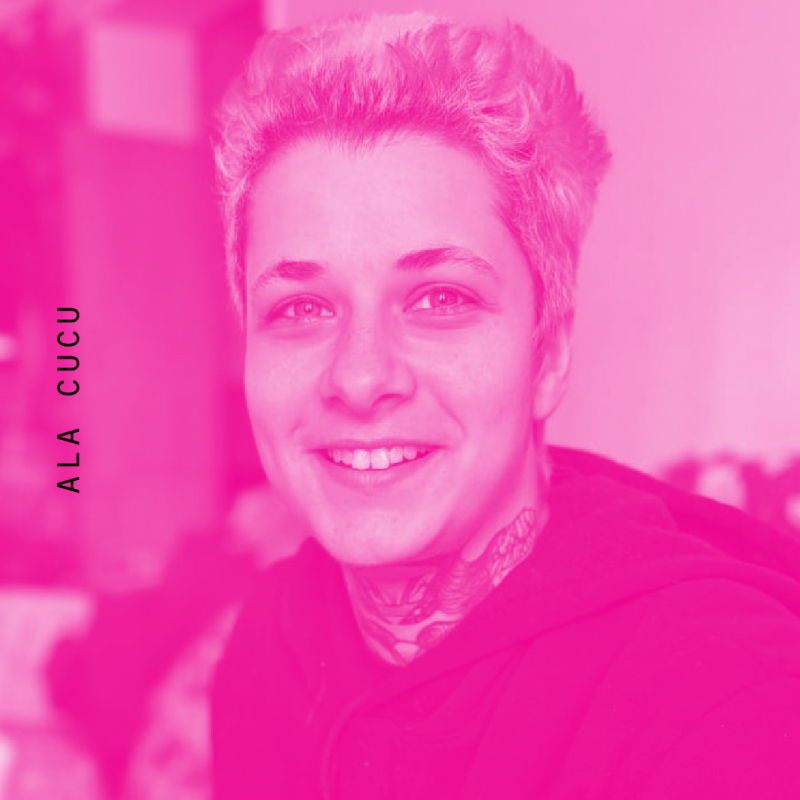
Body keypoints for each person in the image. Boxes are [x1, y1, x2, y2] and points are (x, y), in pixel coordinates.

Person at [210, 12, 800, 799]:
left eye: (440, 298)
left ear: (547, 354)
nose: (359, 377)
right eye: (301, 308)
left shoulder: (727, 701)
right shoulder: (266, 648)